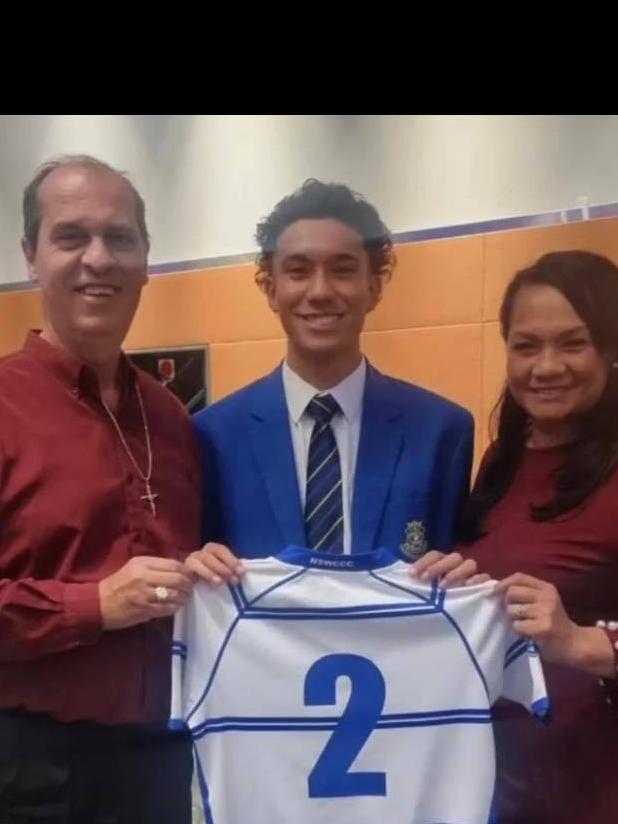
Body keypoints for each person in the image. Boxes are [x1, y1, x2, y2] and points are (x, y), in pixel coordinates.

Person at [0, 155, 201, 823]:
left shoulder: (171, 417)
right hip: (32, 768)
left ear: (146, 259)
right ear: (31, 256)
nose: (98, 259)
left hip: (160, 760)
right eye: (70, 237)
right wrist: (92, 605)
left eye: (120, 238)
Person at [189, 179, 476, 587]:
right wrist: (195, 565)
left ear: (374, 287)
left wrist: (464, 575)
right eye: (299, 271)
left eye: (342, 271)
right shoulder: (212, 436)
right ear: (271, 289)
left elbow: (458, 578)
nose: (320, 291)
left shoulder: (442, 431)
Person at [459, 250, 618, 823]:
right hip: (502, 785)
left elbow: (569, 635)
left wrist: (579, 642)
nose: (546, 366)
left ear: (611, 349)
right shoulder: (502, 464)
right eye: (526, 345)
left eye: (572, 343)